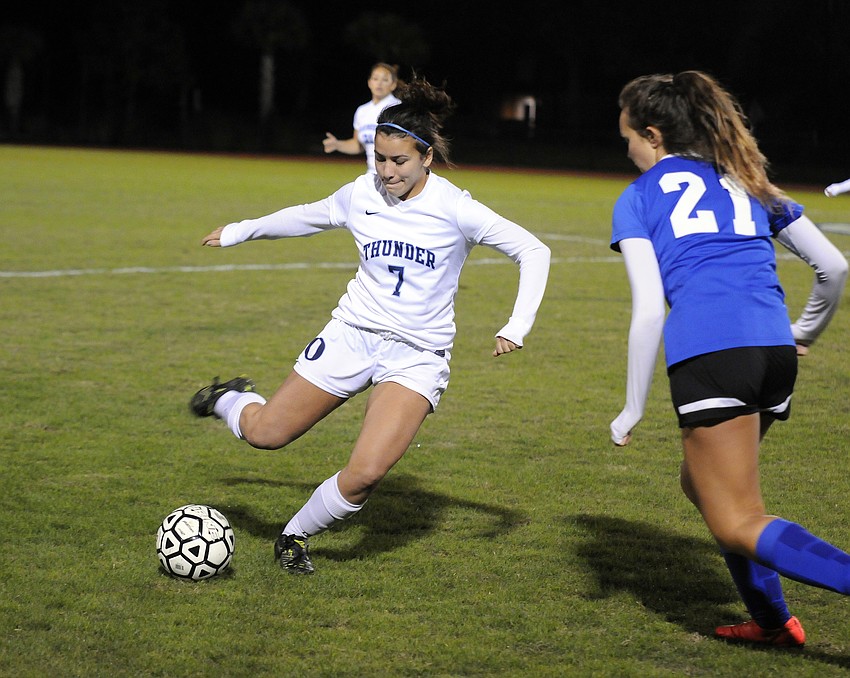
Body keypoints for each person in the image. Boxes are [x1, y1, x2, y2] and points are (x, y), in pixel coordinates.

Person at [190, 76, 551, 574]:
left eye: (398, 161)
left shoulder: (455, 209)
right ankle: (229, 398)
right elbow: (307, 216)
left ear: (426, 157)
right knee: (267, 434)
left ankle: (294, 536)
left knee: (365, 473)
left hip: (417, 354)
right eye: (379, 158)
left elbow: (533, 249)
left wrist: (517, 324)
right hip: (351, 336)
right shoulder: (361, 193)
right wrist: (239, 231)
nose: (386, 171)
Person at [609, 70, 849, 648]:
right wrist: (805, 333)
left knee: (738, 520)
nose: (628, 151)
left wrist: (631, 407)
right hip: (772, 351)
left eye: (629, 140)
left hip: (711, 354)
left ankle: (790, 610)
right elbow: (835, 268)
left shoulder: (639, 196)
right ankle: (771, 622)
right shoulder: (748, 181)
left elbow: (648, 311)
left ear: (654, 134)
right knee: (705, 485)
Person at [322, 62, 402, 174]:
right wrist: (337, 144)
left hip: (394, 174)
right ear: (369, 82)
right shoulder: (362, 111)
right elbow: (357, 145)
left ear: (393, 84)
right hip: (372, 173)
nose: (379, 83)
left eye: (385, 80)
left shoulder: (397, 108)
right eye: (375, 79)